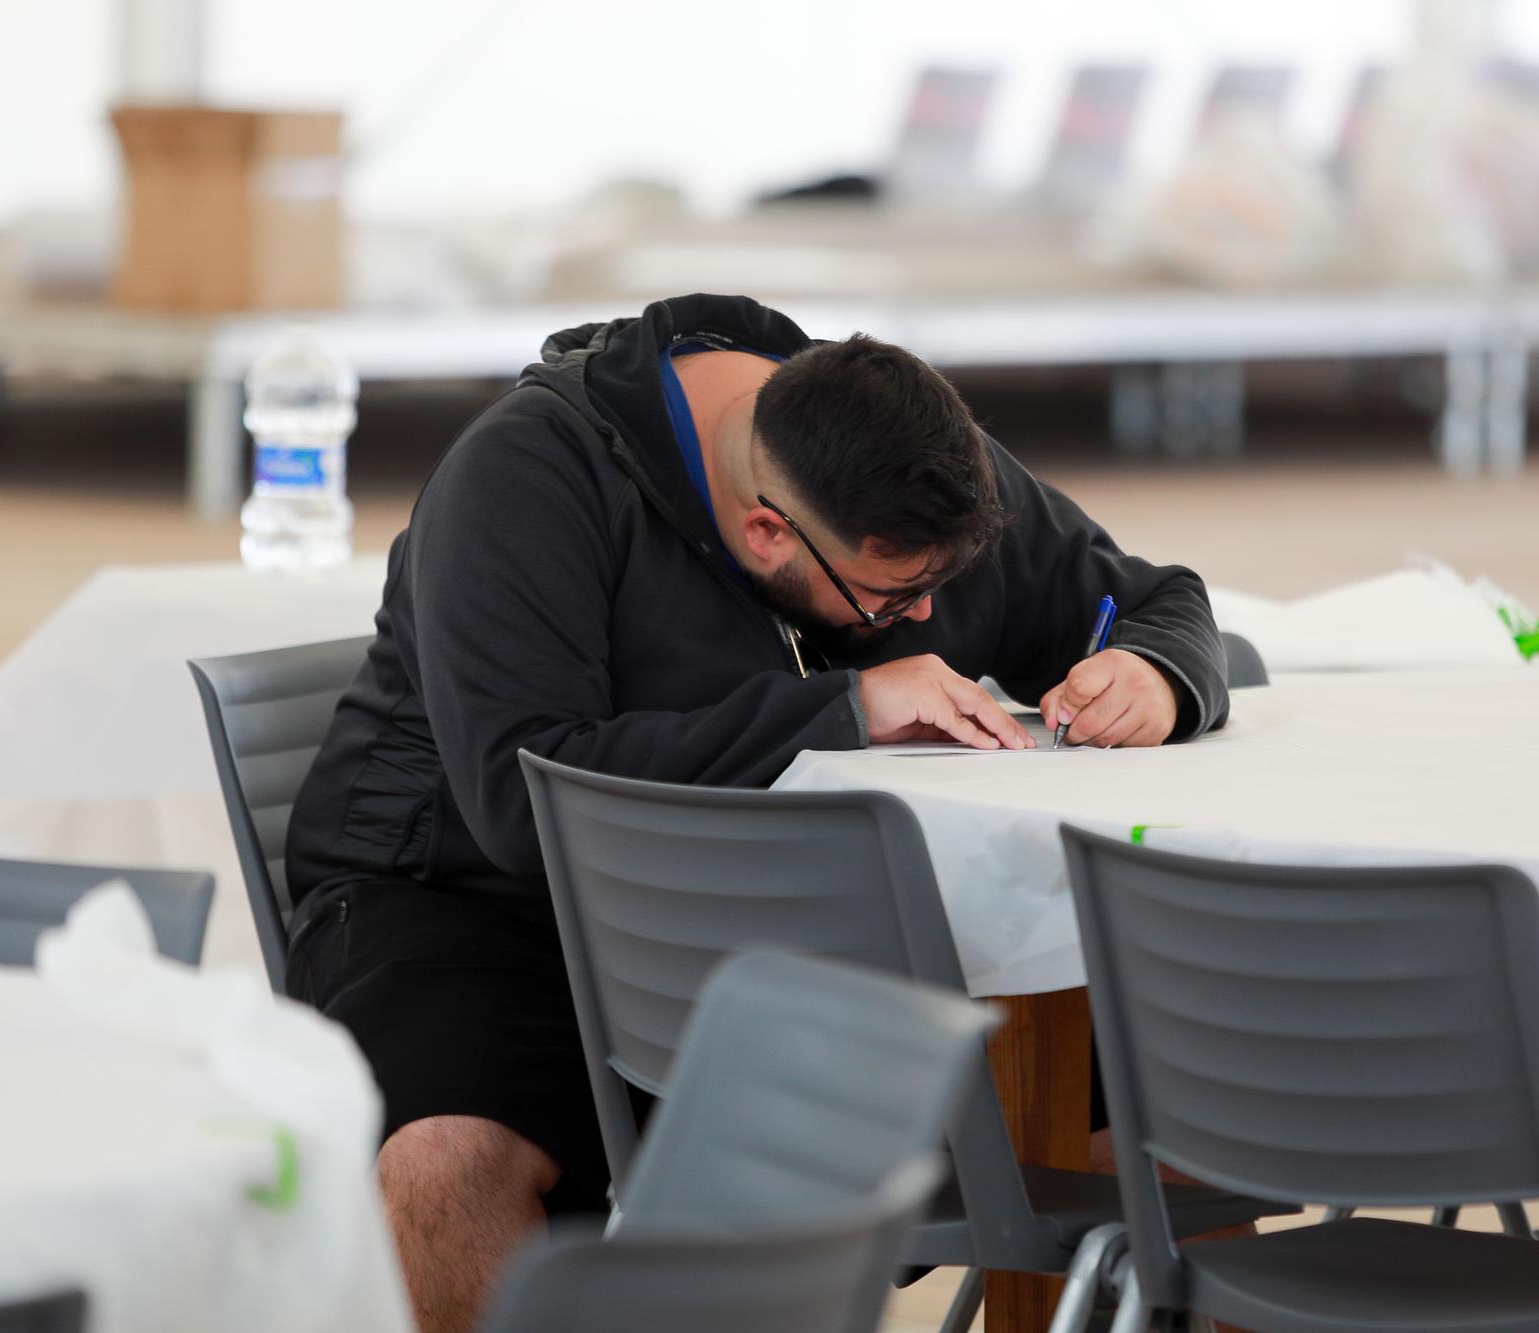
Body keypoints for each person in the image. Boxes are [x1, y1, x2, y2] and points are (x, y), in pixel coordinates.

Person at [284, 293, 1230, 1332]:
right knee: (444, 1158)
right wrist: (840, 707)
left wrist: (1153, 672)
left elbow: (1151, 598)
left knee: (1164, 1100)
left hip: (793, 902)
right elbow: (525, 790)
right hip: (475, 901)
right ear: (765, 530)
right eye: (886, 600)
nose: (922, 616)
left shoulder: (891, 450)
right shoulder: (522, 479)